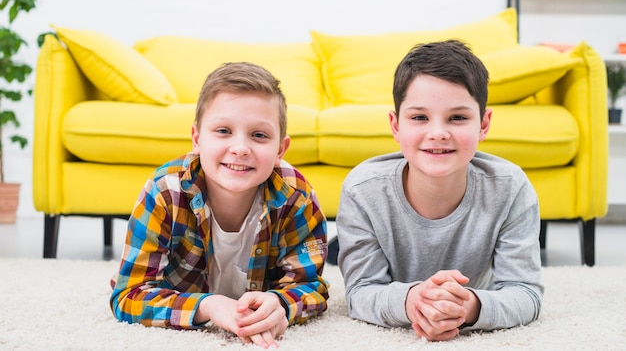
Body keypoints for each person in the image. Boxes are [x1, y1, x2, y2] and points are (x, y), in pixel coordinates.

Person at [110, 62, 329, 348]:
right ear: (197, 139)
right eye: (223, 130)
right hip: (194, 299)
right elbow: (129, 294)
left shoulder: (296, 198)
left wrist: (280, 304)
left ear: (280, 150)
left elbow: (313, 288)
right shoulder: (165, 192)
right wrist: (209, 306)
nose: (240, 148)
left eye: (259, 135)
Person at [336, 40, 544, 342]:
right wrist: (412, 301)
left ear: (484, 125)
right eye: (419, 117)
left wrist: (469, 307)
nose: (438, 133)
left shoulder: (511, 188)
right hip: (391, 265)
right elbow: (360, 292)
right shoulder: (362, 190)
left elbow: (525, 294)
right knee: (337, 252)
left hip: (469, 291)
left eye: (457, 117)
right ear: (395, 126)